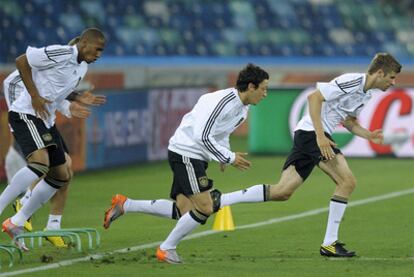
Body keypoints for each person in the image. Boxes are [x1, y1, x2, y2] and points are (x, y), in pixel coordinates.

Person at [104, 53, 401, 260]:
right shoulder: (352, 81)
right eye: (390, 77)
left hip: (311, 135)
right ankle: (329, 244)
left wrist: (367, 135)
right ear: (377, 72)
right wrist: (321, 135)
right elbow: (314, 97)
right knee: (347, 182)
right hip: (312, 134)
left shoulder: (364, 94)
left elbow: (347, 120)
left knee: (282, 192)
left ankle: (126, 204)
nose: (392, 83)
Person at [104, 63, 269, 263]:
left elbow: (222, 132)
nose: (265, 94)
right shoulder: (223, 101)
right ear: (251, 86)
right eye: (263, 88)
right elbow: (202, 136)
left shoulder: (243, 109)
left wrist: (224, 153)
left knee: (184, 210)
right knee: (206, 207)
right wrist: (229, 157)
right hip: (187, 153)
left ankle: (125, 204)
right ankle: (166, 248)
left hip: (194, 155)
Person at [0, 27, 105, 250]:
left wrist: (76, 98)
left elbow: (58, 88)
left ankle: (16, 221)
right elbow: (22, 60)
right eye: (97, 50)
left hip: (45, 120)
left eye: (101, 52)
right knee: (39, 164)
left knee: (61, 174)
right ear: (84, 43)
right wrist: (35, 96)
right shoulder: (62, 53)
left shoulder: (82, 66)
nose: (98, 55)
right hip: (25, 112)